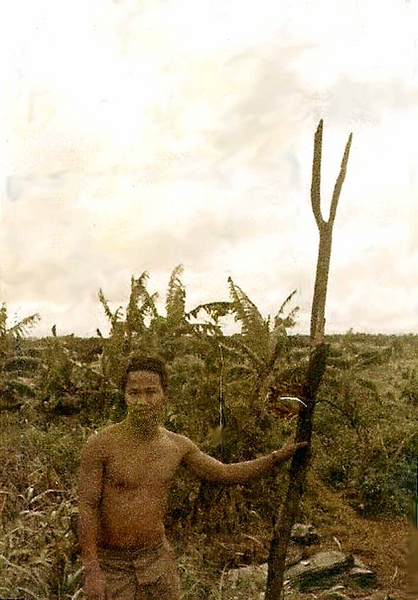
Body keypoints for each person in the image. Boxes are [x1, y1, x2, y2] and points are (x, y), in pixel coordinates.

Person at [78, 353, 307, 600]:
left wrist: (277, 456)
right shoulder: (101, 445)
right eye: (134, 393)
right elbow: (87, 506)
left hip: (156, 560)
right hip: (113, 566)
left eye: (151, 392)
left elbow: (224, 472)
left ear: (164, 394)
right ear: (124, 395)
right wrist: (92, 570)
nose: (142, 401)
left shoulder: (176, 446)